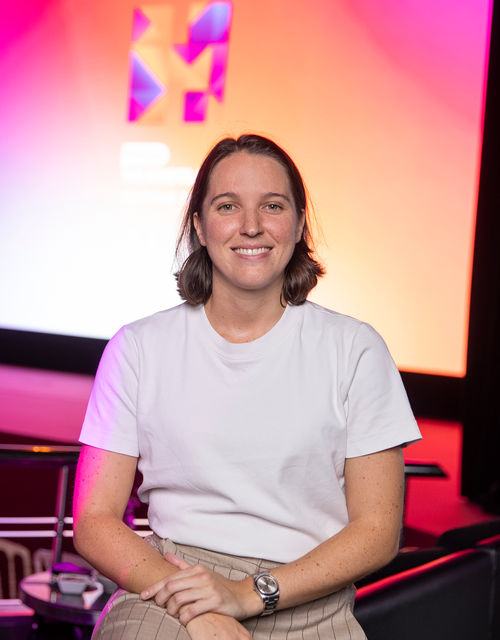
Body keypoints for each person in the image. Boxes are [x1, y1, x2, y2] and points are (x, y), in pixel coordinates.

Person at [72, 134, 421, 640]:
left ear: (299, 224)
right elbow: (94, 520)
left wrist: (248, 594)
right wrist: (198, 606)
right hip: (171, 586)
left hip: (310, 595)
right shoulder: (138, 347)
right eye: (228, 205)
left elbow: (377, 532)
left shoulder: (356, 350)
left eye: (272, 206)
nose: (251, 225)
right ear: (199, 225)